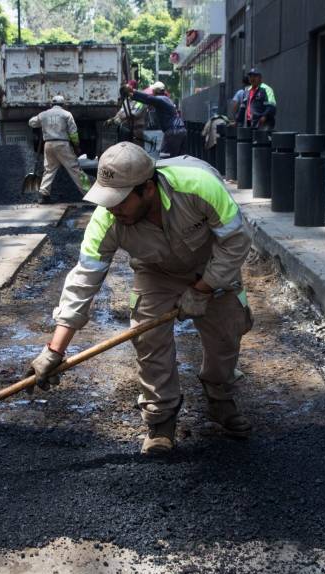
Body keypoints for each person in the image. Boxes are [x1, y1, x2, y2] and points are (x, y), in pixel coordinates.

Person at [26, 142, 254, 455]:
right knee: (148, 339)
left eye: (119, 201)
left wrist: (203, 288)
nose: (112, 209)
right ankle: (160, 420)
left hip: (213, 265)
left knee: (227, 333)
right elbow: (83, 282)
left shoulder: (198, 186)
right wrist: (54, 350)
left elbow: (236, 239)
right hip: (155, 272)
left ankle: (220, 401)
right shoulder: (107, 220)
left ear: (147, 189)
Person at [28, 95, 87, 202]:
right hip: (62, 145)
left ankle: (44, 194)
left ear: (52, 104)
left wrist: (42, 121)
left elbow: (31, 122)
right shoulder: (66, 114)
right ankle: (88, 193)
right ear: (63, 104)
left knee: (49, 169)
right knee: (75, 169)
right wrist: (77, 145)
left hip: (48, 145)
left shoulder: (44, 114)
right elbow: (73, 133)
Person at [123, 81, 187, 158]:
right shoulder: (166, 99)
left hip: (173, 131)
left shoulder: (160, 99)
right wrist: (132, 96)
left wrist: (132, 91)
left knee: (165, 156)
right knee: (178, 157)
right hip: (181, 130)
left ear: (154, 91)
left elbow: (147, 98)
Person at [107, 80, 149, 148]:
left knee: (137, 152)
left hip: (136, 130)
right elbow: (121, 111)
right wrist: (112, 119)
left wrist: (120, 117)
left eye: (129, 90)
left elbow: (133, 114)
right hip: (127, 130)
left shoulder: (140, 101)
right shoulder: (127, 100)